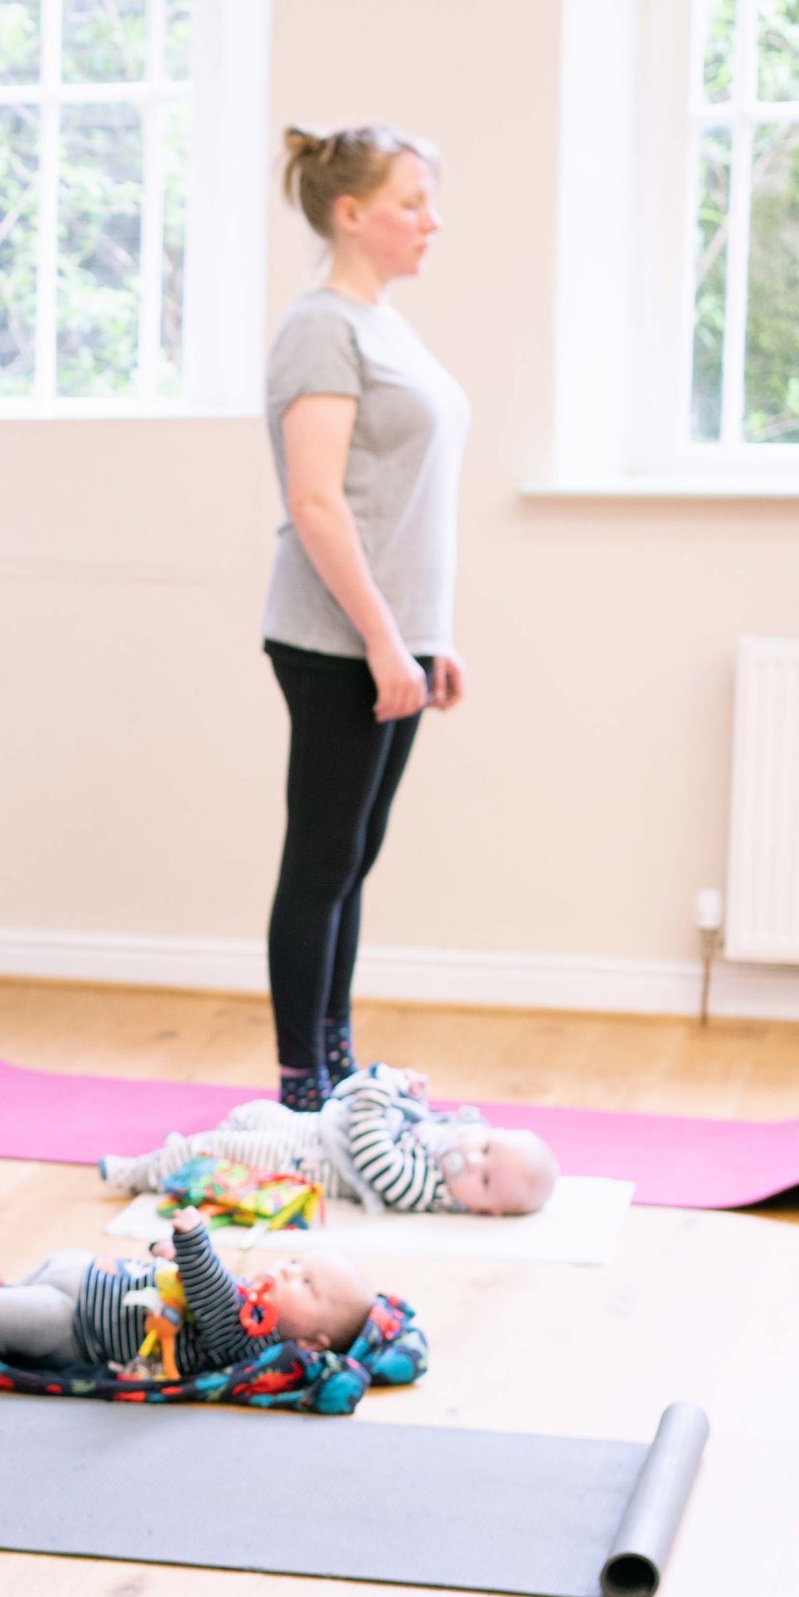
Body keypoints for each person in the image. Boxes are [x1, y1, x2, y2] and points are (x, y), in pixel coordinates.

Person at [262, 125, 472, 1112]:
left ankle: (338, 1064)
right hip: (334, 638)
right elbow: (317, 501)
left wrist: (429, 635)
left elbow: (399, 496)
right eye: (411, 202)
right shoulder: (321, 328)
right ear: (350, 213)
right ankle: (303, 1085)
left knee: (351, 860)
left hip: (393, 636)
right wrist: (388, 640)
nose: (432, 221)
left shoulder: (384, 324)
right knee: (321, 860)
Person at [0, 1215, 376, 1376]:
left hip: (77, 1324)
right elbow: (195, 1284)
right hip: (91, 1274)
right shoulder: (252, 1297)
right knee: (38, 1276)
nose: (285, 1270)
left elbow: (213, 1296)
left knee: (6, 1316)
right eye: (296, 1262)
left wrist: (194, 1243)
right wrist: (174, 1258)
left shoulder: (256, 1340)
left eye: (305, 1283)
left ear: (313, 1341)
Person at [106, 1064, 557, 1218]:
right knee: (250, 1115)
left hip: (304, 1161)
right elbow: (425, 1120)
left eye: (483, 1180)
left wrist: (378, 1090)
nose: (471, 1162)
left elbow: (371, 1149)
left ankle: (141, 1171)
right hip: (313, 1127)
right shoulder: (453, 1138)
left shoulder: (426, 1189)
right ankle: (177, 1153)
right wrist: (413, 1094)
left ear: (486, 1210)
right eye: (485, 1148)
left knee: (211, 1153)